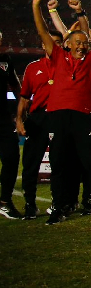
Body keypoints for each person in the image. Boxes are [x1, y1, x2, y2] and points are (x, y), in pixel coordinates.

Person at [32, 0, 91, 224]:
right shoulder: (58, 56)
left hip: (83, 116)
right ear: (67, 44)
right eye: (78, 42)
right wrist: (36, 7)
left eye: (84, 42)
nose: (82, 45)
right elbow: (43, 31)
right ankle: (59, 207)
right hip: (58, 115)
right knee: (59, 163)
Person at [16, 30, 65, 219]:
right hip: (37, 119)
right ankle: (30, 204)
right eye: (51, 42)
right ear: (44, 45)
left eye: (58, 42)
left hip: (59, 117)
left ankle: (57, 204)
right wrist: (19, 120)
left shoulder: (68, 65)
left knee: (59, 163)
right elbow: (24, 97)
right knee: (31, 163)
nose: (54, 45)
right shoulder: (32, 67)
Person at [0, 31, 22, 219]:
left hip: (3, 120)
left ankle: (5, 201)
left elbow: (15, 86)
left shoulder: (5, 60)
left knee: (12, 157)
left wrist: (18, 111)